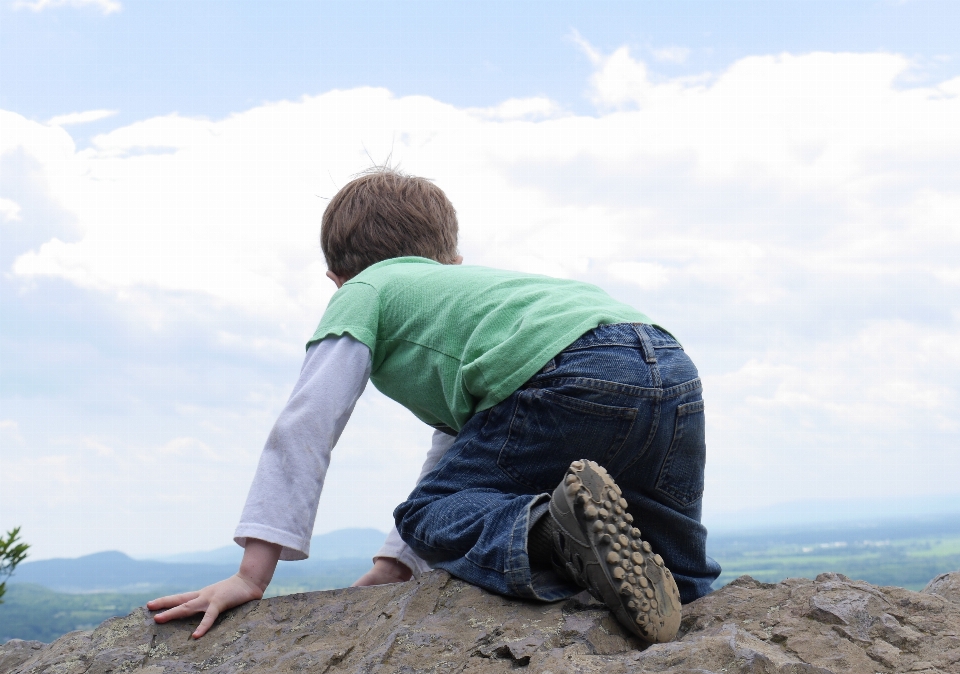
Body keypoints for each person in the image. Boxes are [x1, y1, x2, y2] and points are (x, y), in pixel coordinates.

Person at [148, 169, 721, 643]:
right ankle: (679, 595)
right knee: (677, 567)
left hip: (564, 371)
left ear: (335, 278)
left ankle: (553, 531)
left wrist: (253, 575)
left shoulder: (364, 290)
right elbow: (460, 449)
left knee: (423, 516)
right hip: (666, 363)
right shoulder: (480, 295)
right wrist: (392, 568)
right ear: (449, 258)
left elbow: (307, 424)